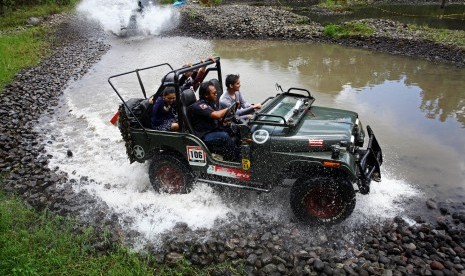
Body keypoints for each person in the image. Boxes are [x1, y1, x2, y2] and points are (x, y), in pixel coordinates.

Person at [189, 81, 240, 161]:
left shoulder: (211, 103)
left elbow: (219, 119)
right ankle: (237, 159)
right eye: (214, 93)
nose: (216, 95)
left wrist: (228, 122)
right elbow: (217, 115)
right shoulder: (199, 106)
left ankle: (239, 152)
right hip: (204, 135)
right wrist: (230, 107)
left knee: (237, 128)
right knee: (224, 136)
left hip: (213, 129)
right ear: (206, 95)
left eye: (216, 93)